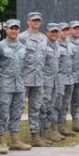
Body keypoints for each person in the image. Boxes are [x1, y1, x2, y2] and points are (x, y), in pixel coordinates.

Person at [0, 19, 31, 154]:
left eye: (16, 28)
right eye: (11, 28)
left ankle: (15, 140)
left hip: (19, 85)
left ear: (19, 30)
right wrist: (1, 80)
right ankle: (1, 141)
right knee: (2, 113)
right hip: (4, 86)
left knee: (17, 112)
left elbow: (25, 66)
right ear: (6, 29)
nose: (14, 31)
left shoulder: (22, 47)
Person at [19, 12, 49, 147]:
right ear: (28, 21)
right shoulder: (21, 38)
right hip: (24, 78)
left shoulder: (44, 38)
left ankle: (36, 136)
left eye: (38, 20)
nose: (36, 22)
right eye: (34, 20)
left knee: (36, 108)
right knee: (18, 108)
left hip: (39, 79)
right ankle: (15, 137)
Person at [42, 23, 63, 143]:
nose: (54, 34)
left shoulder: (57, 47)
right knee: (45, 107)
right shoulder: (44, 47)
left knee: (54, 106)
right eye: (52, 32)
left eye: (56, 32)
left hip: (56, 81)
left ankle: (52, 130)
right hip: (46, 81)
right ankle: (44, 133)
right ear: (47, 33)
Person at [56, 23, 76, 137]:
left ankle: (63, 126)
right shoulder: (56, 45)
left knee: (65, 104)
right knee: (57, 104)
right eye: (63, 30)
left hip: (69, 79)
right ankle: (55, 127)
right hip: (59, 79)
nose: (65, 32)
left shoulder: (69, 45)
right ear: (58, 32)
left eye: (66, 30)